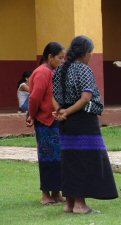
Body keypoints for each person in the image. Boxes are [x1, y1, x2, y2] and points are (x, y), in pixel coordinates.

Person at [52, 35, 118, 214]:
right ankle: (80, 205)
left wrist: (60, 111)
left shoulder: (60, 69)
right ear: (86, 53)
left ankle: (69, 203)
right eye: (91, 53)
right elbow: (86, 98)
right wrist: (68, 111)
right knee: (85, 159)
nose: (91, 56)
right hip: (83, 121)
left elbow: (54, 96)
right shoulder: (83, 69)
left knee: (70, 160)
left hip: (66, 123)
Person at [26, 42, 65, 205]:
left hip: (53, 121)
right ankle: (45, 195)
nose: (62, 61)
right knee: (47, 157)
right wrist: (32, 115)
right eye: (59, 58)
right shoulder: (42, 72)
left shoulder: (51, 71)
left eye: (64, 58)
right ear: (50, 57)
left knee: (56, 158)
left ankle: (56, 192)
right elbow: (35, 97)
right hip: (45, 122)